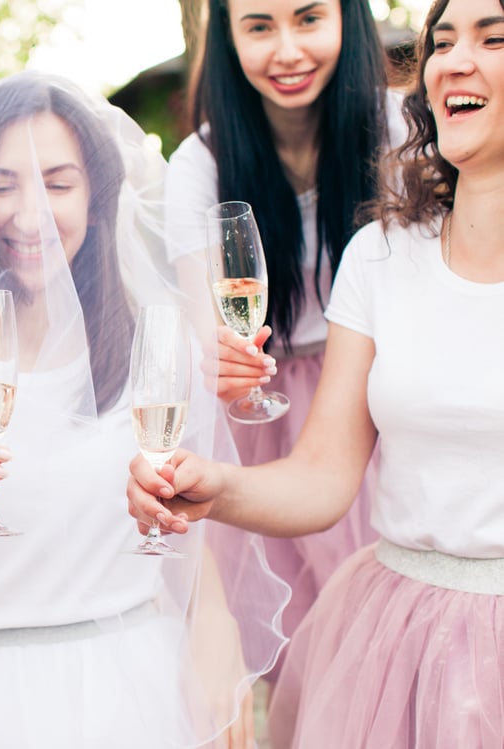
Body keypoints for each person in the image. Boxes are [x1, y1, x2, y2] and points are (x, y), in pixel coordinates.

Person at [0, 72, 289, 749]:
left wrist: (218, 659)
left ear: (97, 195)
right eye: (2, 185)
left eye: (57, 183)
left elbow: (188, 543)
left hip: (130, 694)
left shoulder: (151, 349)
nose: (30, 216)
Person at [128, 1, 504, 744]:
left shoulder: (387, 133)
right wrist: (215, 482)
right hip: (322, 430)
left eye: (494, 39)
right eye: (443, 42)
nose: (456, 61)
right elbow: (326, 471)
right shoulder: (381, 253)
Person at [163, 0, 406, 661]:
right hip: (260, 417)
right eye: (259, 27)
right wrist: (219, 355)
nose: (287, 50)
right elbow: (202, 318)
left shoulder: (400, 131)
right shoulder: (201, 165)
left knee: (381, 633)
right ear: (229, 38)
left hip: (374, 393)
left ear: (347, 21)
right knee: (295, 645)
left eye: (307, 19)